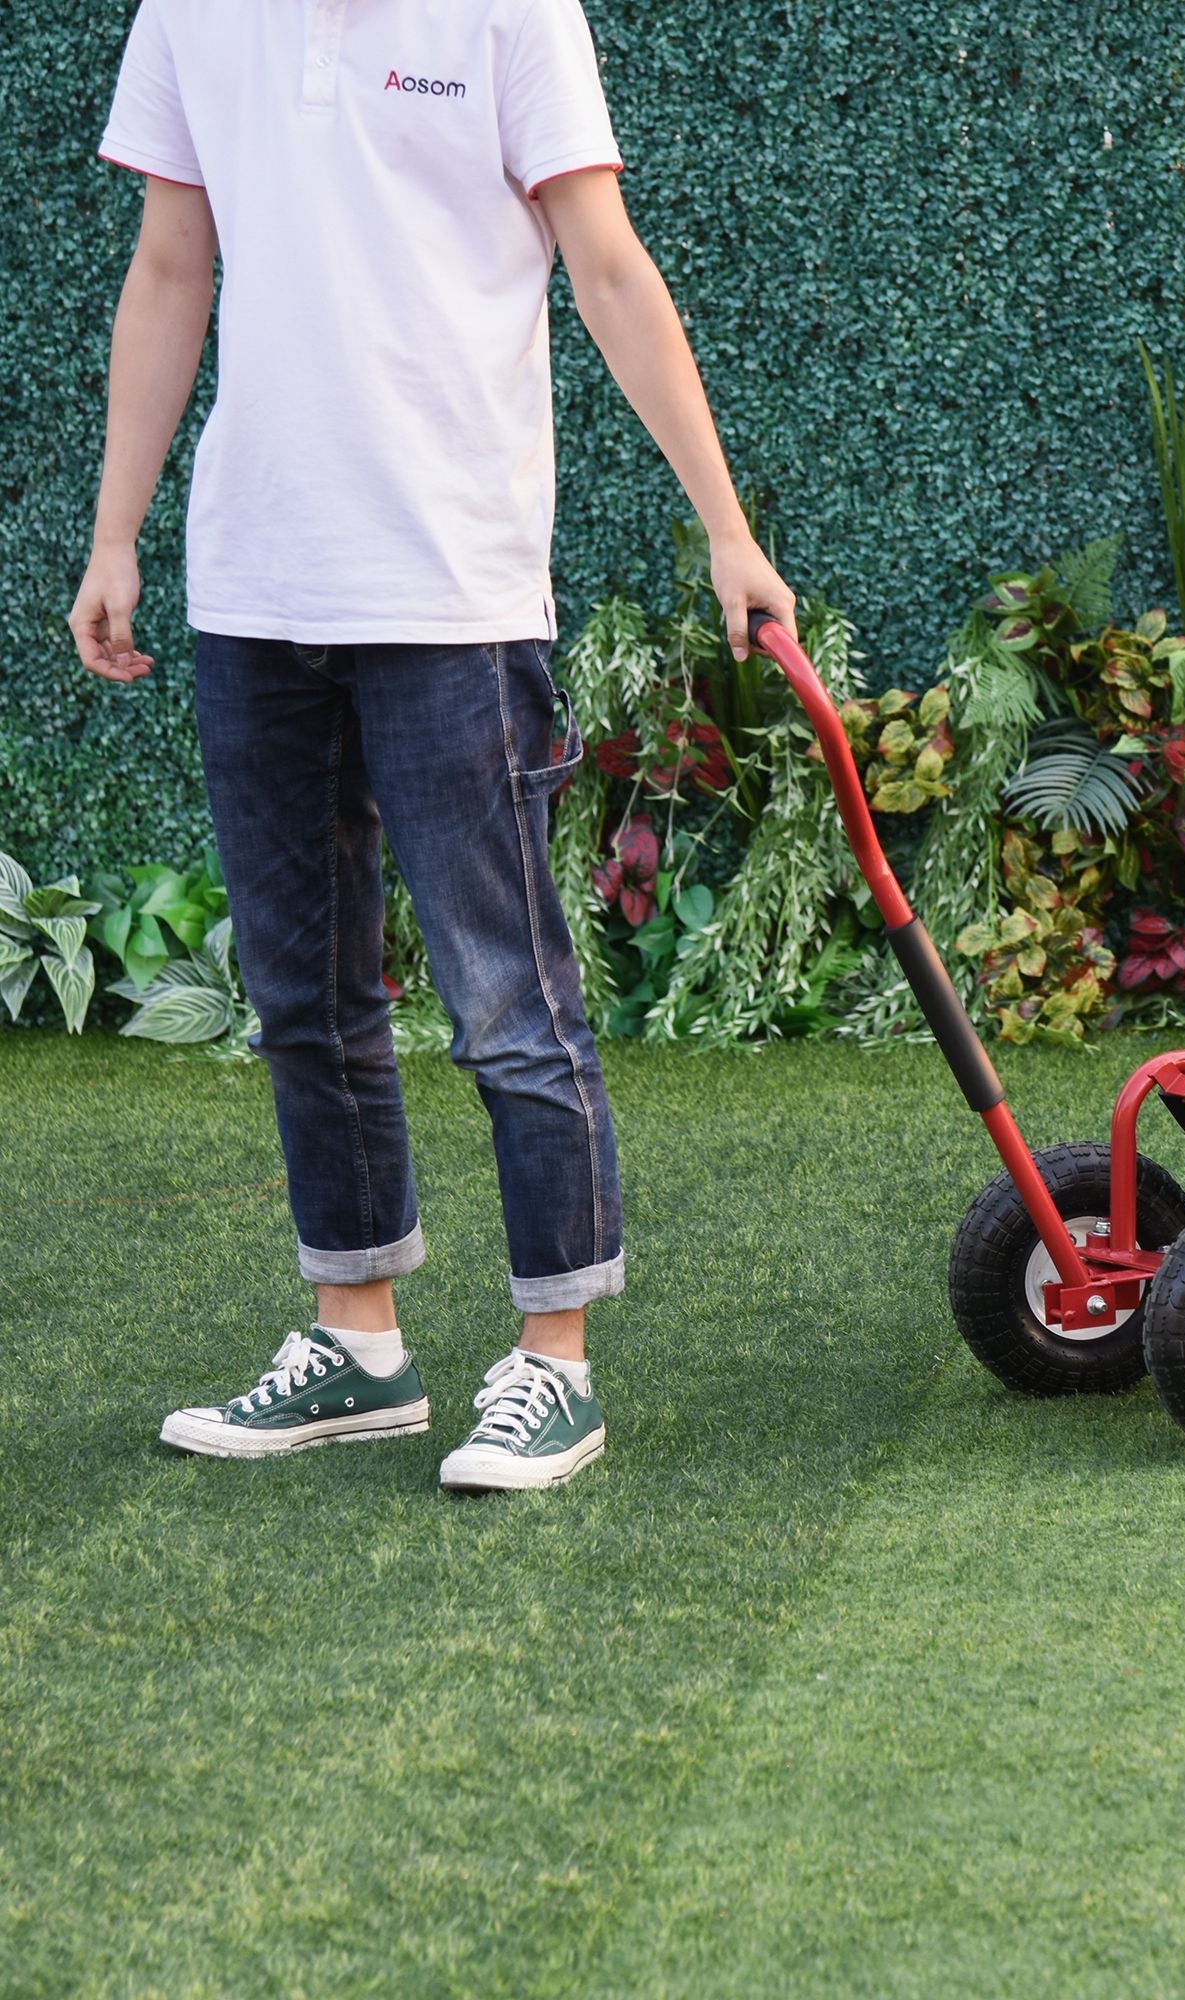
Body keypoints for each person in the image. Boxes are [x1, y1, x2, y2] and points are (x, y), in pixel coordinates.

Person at [69, 0, 794, 1490]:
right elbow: (168, 266)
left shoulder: (513, 11)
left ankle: (555, 1366)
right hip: (257, 581)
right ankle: (361, 1343)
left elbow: (605, 265)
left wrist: (727, 527)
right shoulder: (193, 15)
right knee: (302, 993)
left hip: (450, 588)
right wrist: (117, 535)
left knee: (505, 997)